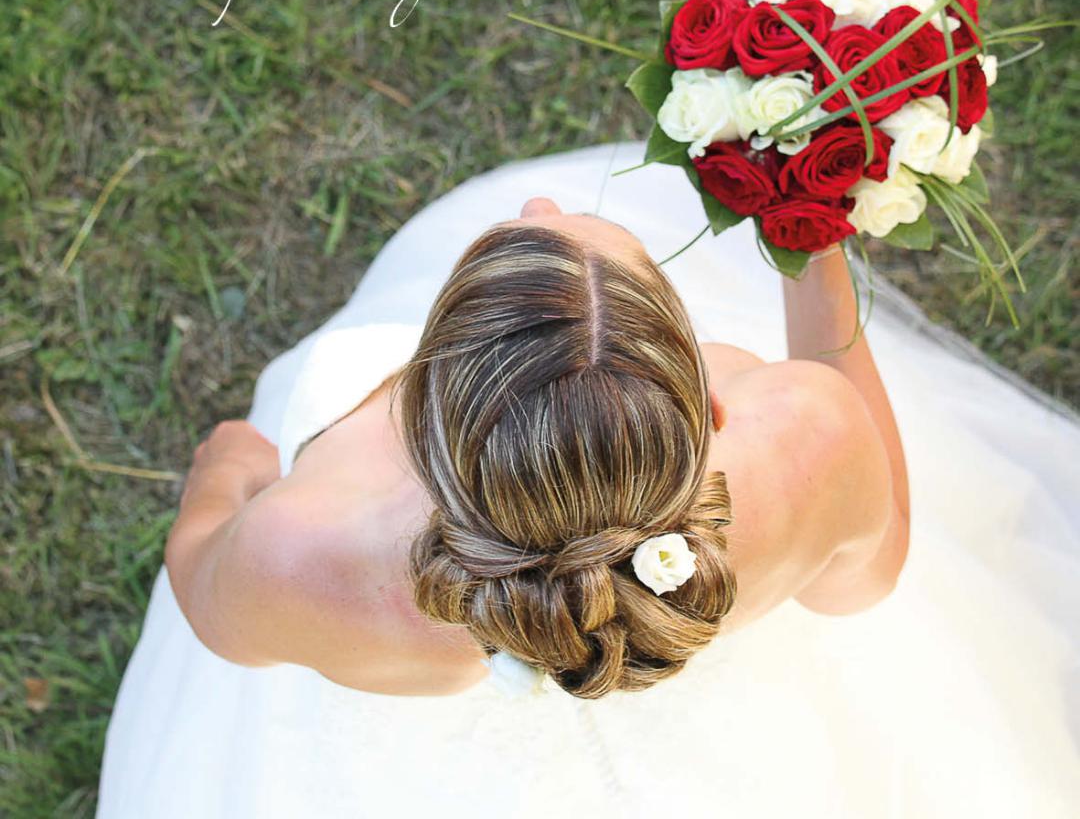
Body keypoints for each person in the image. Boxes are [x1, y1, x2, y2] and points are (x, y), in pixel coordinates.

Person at [96, 141, 1080, 818]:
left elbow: (202, 578)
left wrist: (231, 465)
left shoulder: (298, 551)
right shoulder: (807, 441)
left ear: (423, 414)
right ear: (708, 404)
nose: (539, 205)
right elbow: (866, 581)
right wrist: (807, 242)